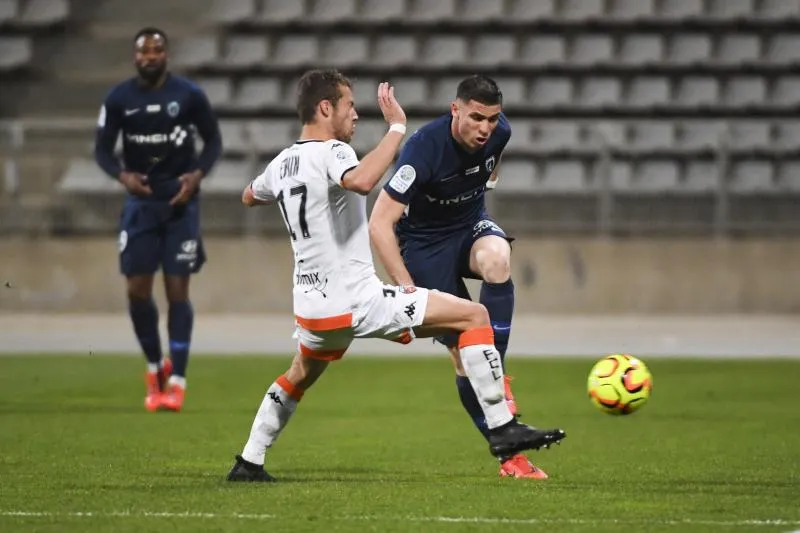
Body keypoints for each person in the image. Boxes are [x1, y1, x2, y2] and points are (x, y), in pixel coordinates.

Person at [226, 69, 565, 482]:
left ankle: (249, 461)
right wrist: (396, 128)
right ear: (325, 108)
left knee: (298, 374)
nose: (355, 116)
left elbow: (247, 196)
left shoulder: (281, 164)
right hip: (358, 301)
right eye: (350, 106)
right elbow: (364, 182)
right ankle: (503, 428)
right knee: (474, 318)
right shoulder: (334, 152)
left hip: (312, 309)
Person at [368, 75, 546, 479]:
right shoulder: (422, 150)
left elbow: (492, 163)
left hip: (468, 228)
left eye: (492, 119)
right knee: (465, 358)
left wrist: (488, 180)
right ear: (456, 109)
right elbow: (379, 223)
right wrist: (404, 286)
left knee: (498, 258)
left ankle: (497, 372)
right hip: (424, 247)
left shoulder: (500, 133)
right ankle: (510, 459)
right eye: (476, 117)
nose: (485, 128)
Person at [94, 27, 222, 413]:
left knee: (177, 291)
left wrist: (196, 175)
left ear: (166, 54)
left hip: (181, 204)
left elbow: (213, 141)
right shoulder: (119, 98)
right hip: (140, 204)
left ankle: (177, 381)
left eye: (157, 49)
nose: (150, 56)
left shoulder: (188, 95)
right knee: (136, 290)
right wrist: (124, 176)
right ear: (135, 57)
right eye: (144, 51)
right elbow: (102, 150)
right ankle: (154, 368)